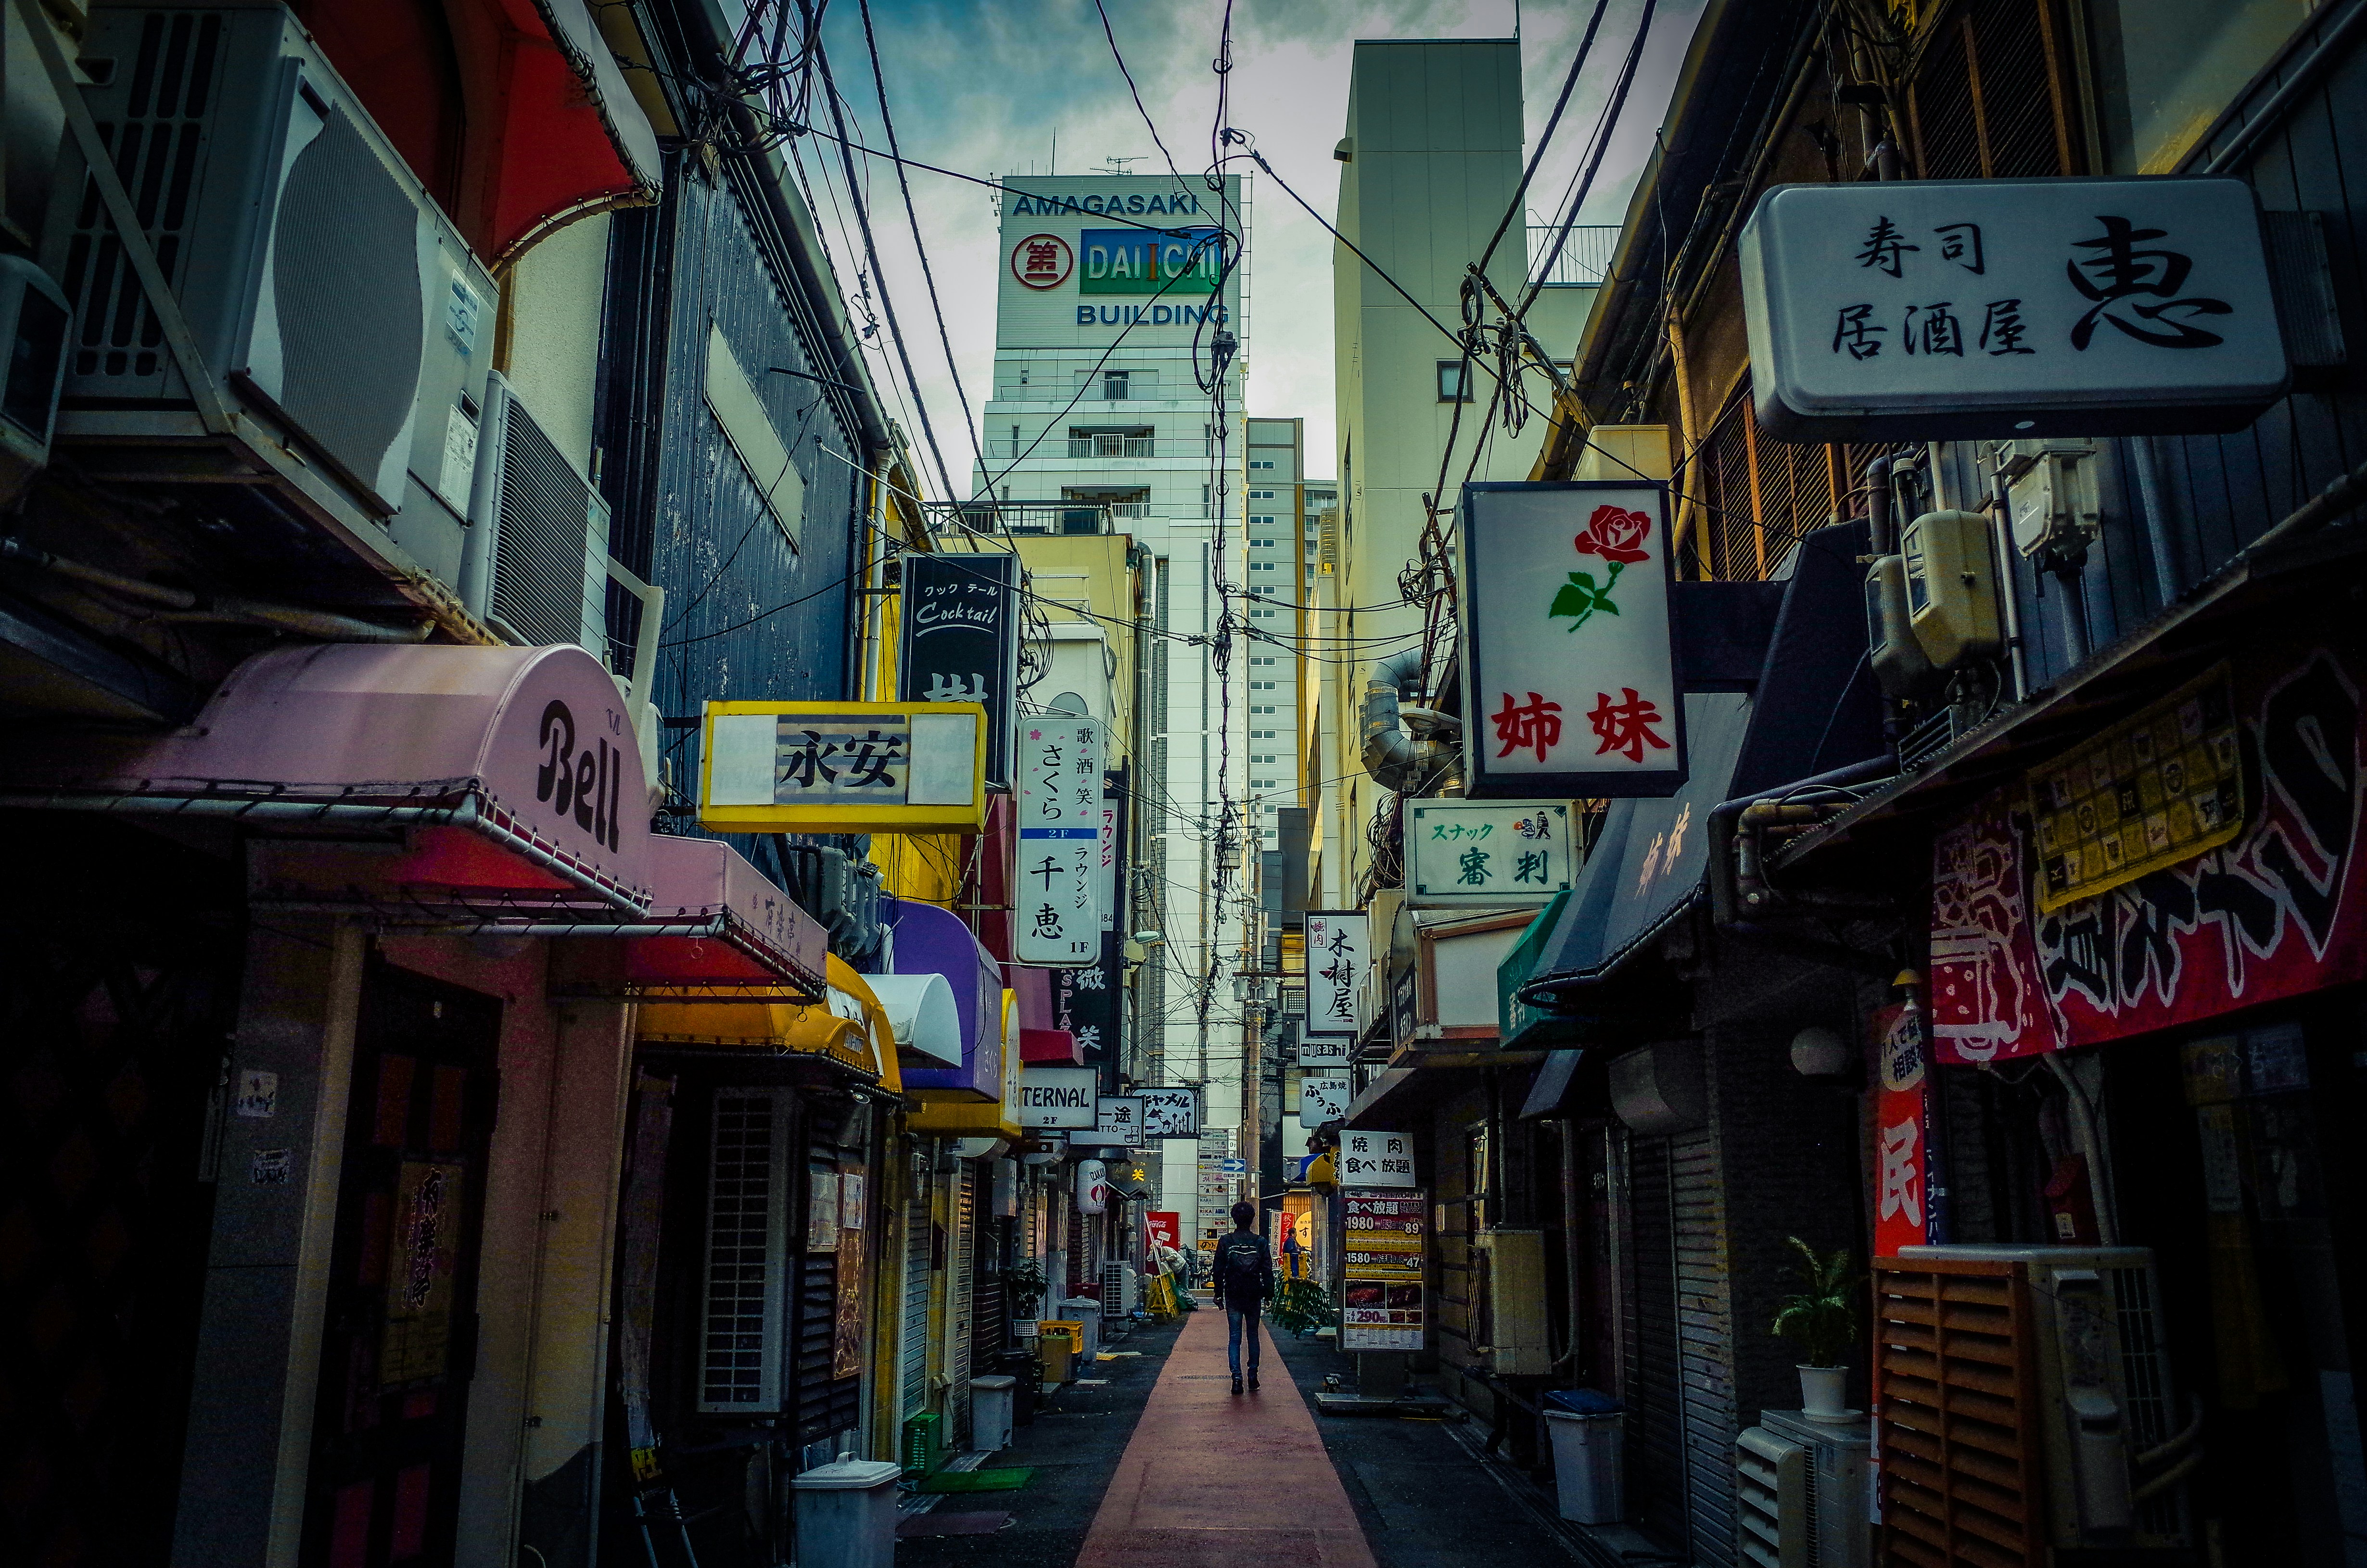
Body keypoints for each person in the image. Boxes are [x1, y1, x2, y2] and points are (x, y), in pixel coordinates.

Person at [1210, 1200, 1275, 1394]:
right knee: (1253, 1335)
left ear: (1234, 1219)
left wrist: (1217, 1294)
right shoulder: (1260, 1242)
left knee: (1234, 1338)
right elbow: (1267, 1271)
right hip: (1254, 1294)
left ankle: (1237, 1379)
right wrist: (1269, 1294)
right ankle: (1253, 1376)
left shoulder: (1226, 1242)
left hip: (1233, 1294)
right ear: (1252, 1219)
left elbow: (1218, 1270)